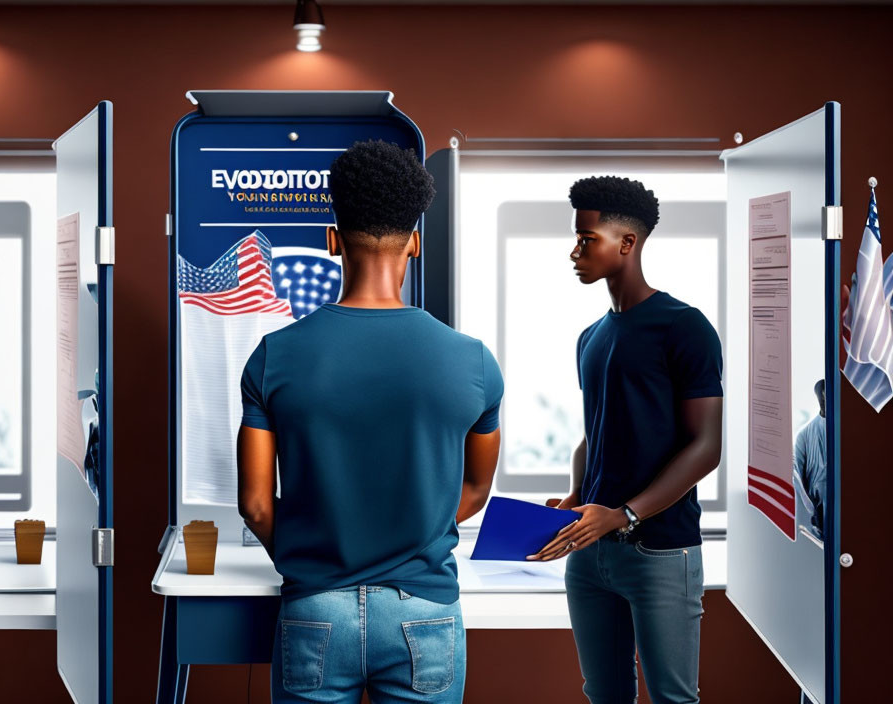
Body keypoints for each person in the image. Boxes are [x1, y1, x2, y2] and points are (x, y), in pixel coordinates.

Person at [237, 140, 503, 704]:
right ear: (415, 243)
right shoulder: (473, 361)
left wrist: (314, 554)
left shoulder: (274, 355)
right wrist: (411, 531)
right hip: (425, 613)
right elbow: (476, 487)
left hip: (315, 608)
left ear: (332, 242)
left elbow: (257, 506)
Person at [528, 176, 724, 704]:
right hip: (589, 555)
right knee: (604, 694)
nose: (575, 252)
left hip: (660, 551)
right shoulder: (590, 337)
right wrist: (576, 497)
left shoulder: (685, 328)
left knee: (672, 699)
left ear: (627, 244)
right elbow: (596, 434)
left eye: (587, 239)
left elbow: (707, 447)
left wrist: (624, 513)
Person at [793, 379, 827, 541]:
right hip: (820, 505)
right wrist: (812, 509)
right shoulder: (805, 434)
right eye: (823, 396)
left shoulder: (849, 427)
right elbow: (796, 473)